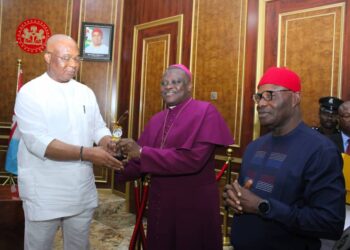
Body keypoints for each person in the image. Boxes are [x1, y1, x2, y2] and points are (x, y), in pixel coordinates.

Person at [14, 34, 123, 250]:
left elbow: (97, 126)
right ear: (47, 57)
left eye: (76, 58)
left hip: (81, 189)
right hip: (45, 192)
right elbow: (40, 143)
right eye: (66, 58)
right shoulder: (30, 93)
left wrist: (106, 141)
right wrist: (88, 153)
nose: (73, 64)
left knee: (79, 246)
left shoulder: (85, 92)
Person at [223, 67, 345, 250]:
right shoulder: (254, 147)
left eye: (270, 95)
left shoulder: (320, 150)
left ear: (295, 98)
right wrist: (233, 198)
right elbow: (245, 197)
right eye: (259, 97)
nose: (261, 104)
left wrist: (263, 206)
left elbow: (329, 223)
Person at [115, 64, 234, 250]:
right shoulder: (156, 119)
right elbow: (138, 161)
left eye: (175, 82)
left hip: (194, 205)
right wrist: (114, 163)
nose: (168, 86)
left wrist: (141, 152)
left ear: (189, 86)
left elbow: (193, 160)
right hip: (161, 206)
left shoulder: (206, 112)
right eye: (164, 83)